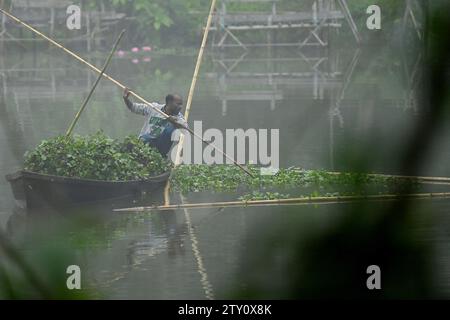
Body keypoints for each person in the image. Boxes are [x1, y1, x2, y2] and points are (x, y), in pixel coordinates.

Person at [123, 88, 188, 157]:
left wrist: (175, 123)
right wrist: (126, 99)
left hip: (159, 150)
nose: (180, 107)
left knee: (171, 128)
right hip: (143, 143)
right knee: (130, 144)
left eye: (181, 104)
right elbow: (133, 107)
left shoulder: (179, 118)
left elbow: (185, 130)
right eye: (178, 104)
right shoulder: (154, 108)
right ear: (169, 102)